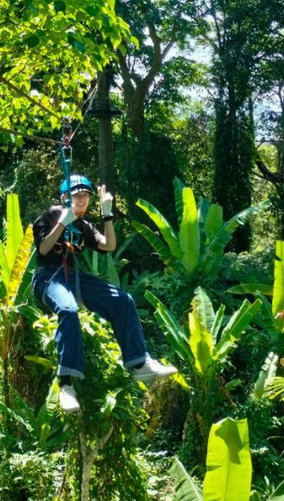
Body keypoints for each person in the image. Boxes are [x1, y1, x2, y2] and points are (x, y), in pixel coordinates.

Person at [32, 174, 177, 413]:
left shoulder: (83, 226)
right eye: (77, 196)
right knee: (68, 310)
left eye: (86, 196)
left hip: (74, 278)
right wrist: (61, 223)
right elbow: (44, 248)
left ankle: (139, 363)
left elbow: (109, 245)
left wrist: (107, 212)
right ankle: (66, 385)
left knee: (123, 300)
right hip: (47, 278)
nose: (82, 200)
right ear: (64, 198)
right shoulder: (48, 216)